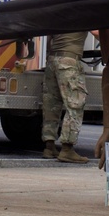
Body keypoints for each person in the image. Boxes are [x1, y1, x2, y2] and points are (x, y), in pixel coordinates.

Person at [40, 31, 91, 164]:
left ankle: (49, 146)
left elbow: (49, 38)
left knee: (51, 105)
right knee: (75, 104)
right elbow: (99, 32)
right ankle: (67, 149)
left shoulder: (61, 14)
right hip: (69, 61)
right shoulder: (83, 13)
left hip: (52, 60)